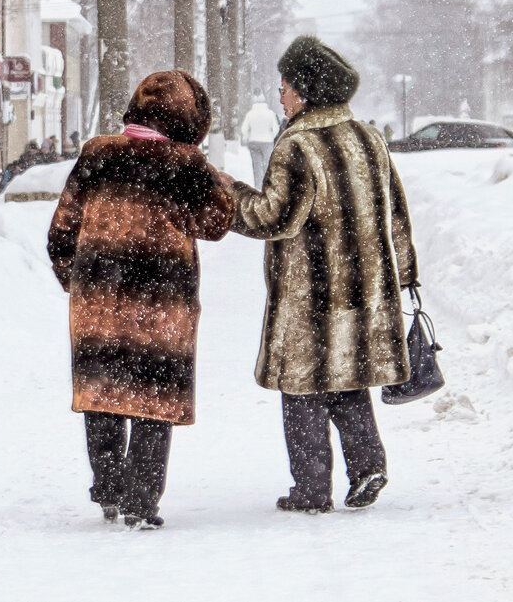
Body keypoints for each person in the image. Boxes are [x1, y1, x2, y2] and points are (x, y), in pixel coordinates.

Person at [218, 35, 418, 514]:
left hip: (311, 294)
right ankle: (367, 465)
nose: (280, 96)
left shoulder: (298, 146)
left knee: (303, 388)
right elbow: (397, 212)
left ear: (305, 90)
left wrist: (230, 195)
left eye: (285, 87)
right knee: (348, 379)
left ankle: (311, 489)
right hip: (365, 289)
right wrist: (405, 273)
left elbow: (272, 217)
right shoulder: (369, 137)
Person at [47, 70, 234, 529]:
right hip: (161, 305)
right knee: (154, 397)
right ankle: (141, 500)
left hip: (99, 300)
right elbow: (215, 221)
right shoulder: (186, 164)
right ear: (189, 118)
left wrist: (77, 279)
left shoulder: (96, 153)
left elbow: (61, 231)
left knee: (103, 390)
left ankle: (109, 485)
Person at [240, 89, 281, 189]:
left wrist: (249, 136)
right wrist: (271, 137)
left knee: (257, 166)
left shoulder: (250, 114)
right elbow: (276, 128)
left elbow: (244, 129)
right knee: (267, 165)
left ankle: (258, 187)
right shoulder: (270, 113)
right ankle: (267, 187)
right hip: (267, 142)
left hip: (253, 141)